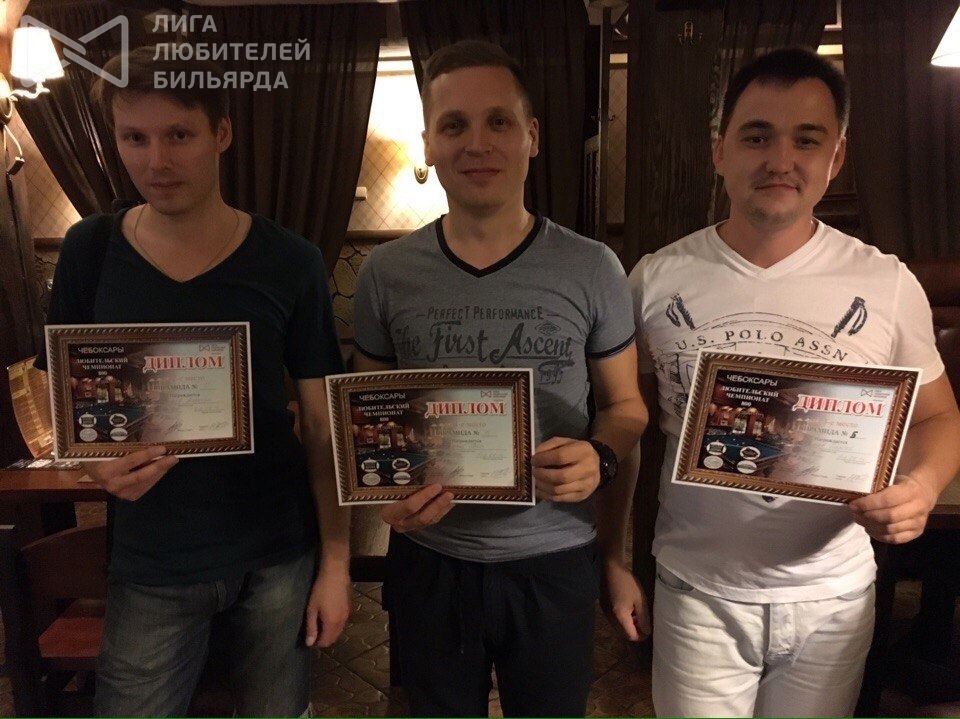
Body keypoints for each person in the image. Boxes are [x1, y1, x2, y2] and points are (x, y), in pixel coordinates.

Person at [621, 47, 960, 717]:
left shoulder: (887, 282)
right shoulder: (654, 280)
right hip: (696, 592)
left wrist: (921, 489)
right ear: (719, 152)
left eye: (807, 140)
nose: (781, 159)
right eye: (757, 137)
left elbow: (939, 416)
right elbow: (622, 418)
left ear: (836, 157)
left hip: (833, 599)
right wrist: (612, 557)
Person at [36, 46, 351, 717]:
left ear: (222, 133)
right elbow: (59, 402)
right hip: (151, 558)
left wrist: (337, 563)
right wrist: (92, 467)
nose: (156, 161)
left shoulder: (291, 261)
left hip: (277, 556)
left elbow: (324, 427)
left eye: (178, 135)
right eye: (135, 138)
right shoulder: (90, 251)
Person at [351, 39, 649, 717]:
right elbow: (374, 422)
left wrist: (600, 456)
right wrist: (387, 493)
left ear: (532, 137)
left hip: (555, 559)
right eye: (454, 125)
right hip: (430, 558)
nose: (477, 143)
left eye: (499, 122)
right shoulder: (385, 274)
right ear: (429, 144)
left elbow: (627, 407)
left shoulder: (593, 267)